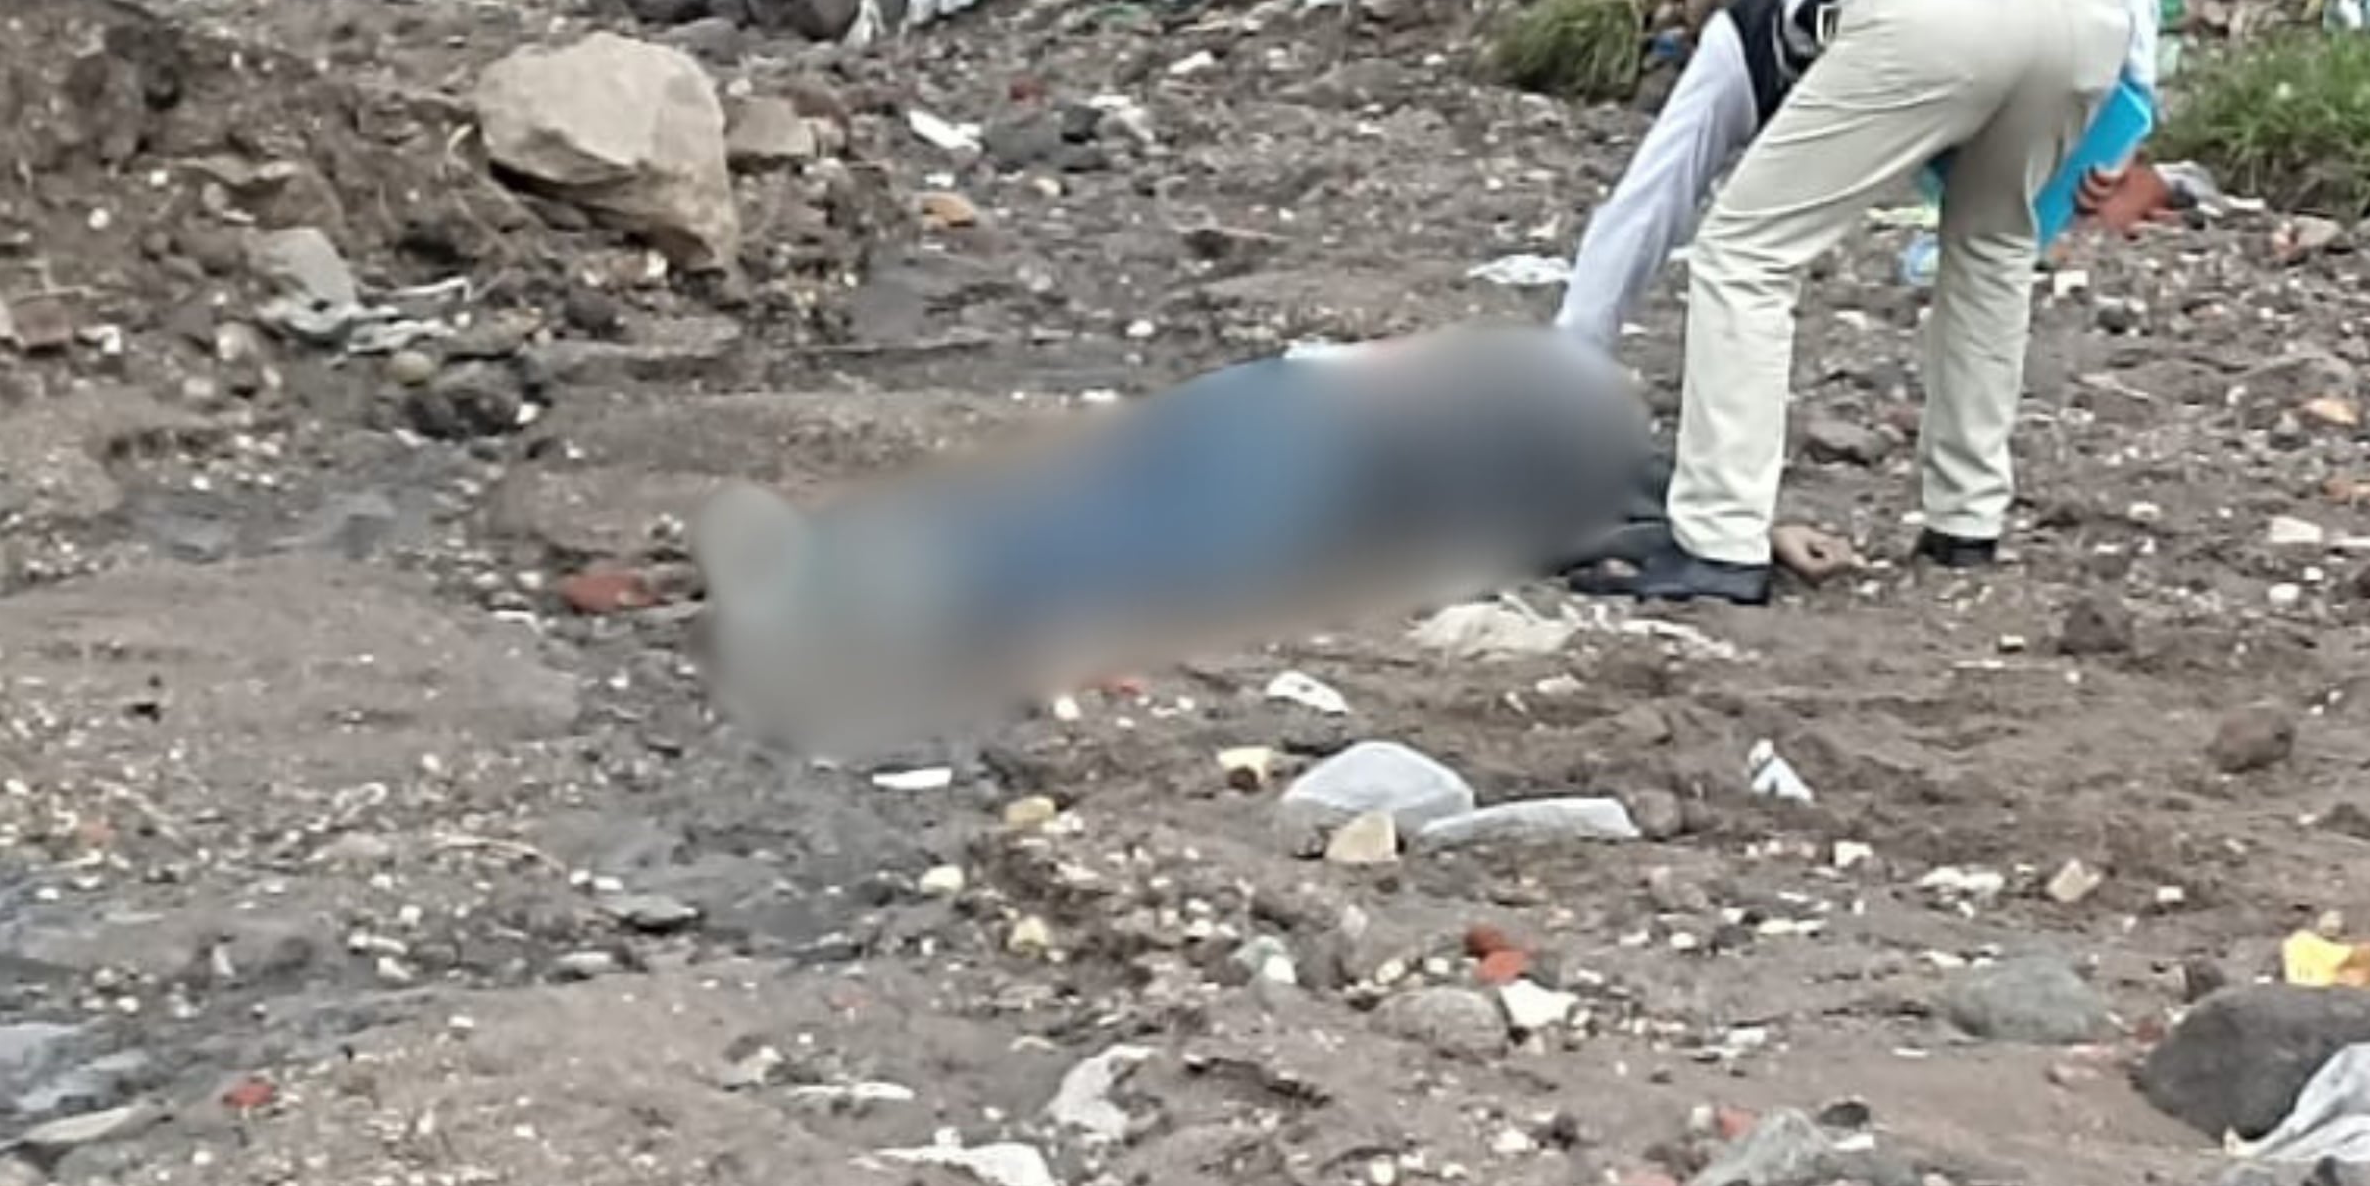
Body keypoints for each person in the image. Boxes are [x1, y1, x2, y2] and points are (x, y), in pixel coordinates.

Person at [1555, 0, 2163, 605]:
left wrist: (1568, 366)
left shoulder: (1740, 39)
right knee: (1994, 243)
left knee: (1745, 253)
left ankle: (1719, 543)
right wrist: (2141, 101)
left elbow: (1647, 203)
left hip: (1933, 12)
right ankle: (1965, 523)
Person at [693, 322, 1653, 756]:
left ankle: (826, 552)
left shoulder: (1540, 362)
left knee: (1081, 499)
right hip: (1314, 447)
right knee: (1158, 553)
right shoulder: (1565, 433)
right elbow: (1470, 513)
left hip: (1262, 386)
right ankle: (906, 583)